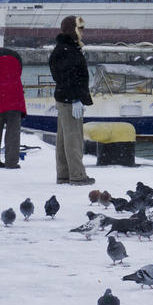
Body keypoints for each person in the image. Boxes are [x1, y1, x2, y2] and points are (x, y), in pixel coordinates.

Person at [49, 15, 94, 185]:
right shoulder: (67, 50)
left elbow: (62, 75)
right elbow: (67, 76)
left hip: (65, 97)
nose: (83, 32)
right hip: (70, 99)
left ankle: (64, 174)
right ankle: (77, 175)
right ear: (73, 29)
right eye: (80, 28)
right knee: (73, 139)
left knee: (63, 139)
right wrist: (75, 98)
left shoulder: (64, 48)